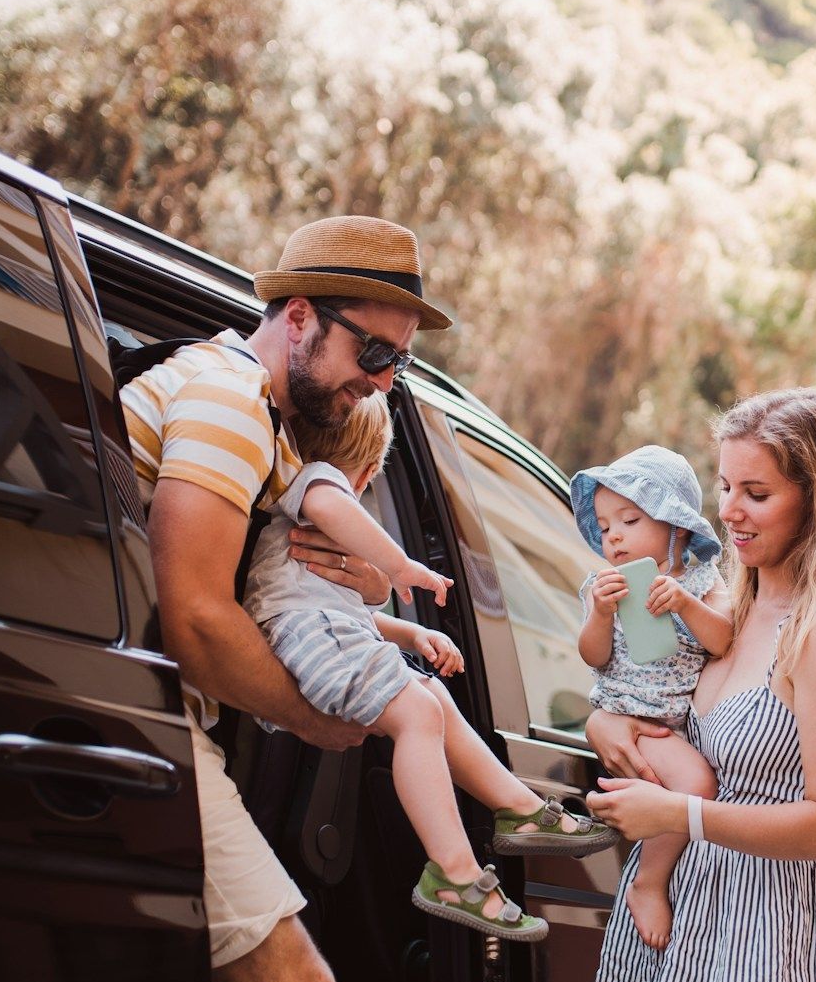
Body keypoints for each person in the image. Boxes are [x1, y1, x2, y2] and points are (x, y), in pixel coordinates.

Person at [121, 216, 443, 982]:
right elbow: (196, 616)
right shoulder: (231, 400)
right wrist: (313, 716)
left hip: (148, 723)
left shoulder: (255, 420)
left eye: (399, 363)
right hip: (147, 728)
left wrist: (358, 588)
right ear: (298, 316)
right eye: (372, 351)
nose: (382, 381)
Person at [578, 388, 816, 982]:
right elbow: (643, 691)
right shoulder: (724, 607)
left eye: (757, 493)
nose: (729, 511)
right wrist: (603, 721)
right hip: (675, 930)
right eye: (724, 487)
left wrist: (678, 816)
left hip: (767, 945)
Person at [241, 396, 616, 942]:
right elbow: (331, 516)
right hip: (307, 636)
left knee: (430, 696)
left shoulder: (307, 527)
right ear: (367, 473)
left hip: (316, 633)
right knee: (417, 712)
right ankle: (454, 872)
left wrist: (411, 633)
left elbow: (337, 615)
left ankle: (518, 806)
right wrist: (400, 567)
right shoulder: (316, 484)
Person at [570, 445, 732, 949]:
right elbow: (593, 656)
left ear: (676, 526)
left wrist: (684, 603)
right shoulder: (603, 586)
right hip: (630, 716)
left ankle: (654, 873)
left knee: (689, 786)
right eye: (604, 526)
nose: (614, 536)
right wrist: (600, 614)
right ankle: (649, 881)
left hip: (677, 725)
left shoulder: (702, 582)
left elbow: (723, 640)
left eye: (630, 520)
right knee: (697, 784)